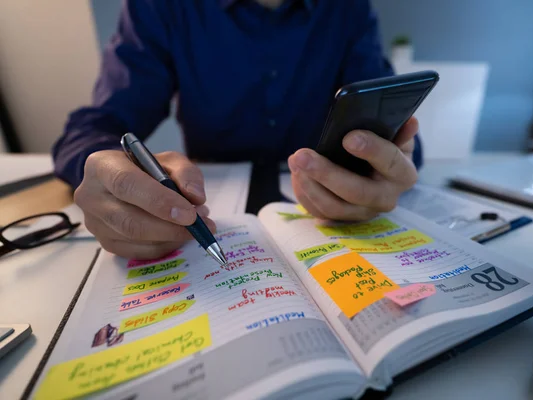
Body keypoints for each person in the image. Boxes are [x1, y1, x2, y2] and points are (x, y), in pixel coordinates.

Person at [53, 0, 422, 259]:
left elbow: (383, 120)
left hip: (324, 222)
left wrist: (388, 162)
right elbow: (95, 128)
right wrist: (108, 174)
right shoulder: (158, 5)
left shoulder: (348, 8)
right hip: (208, 209)